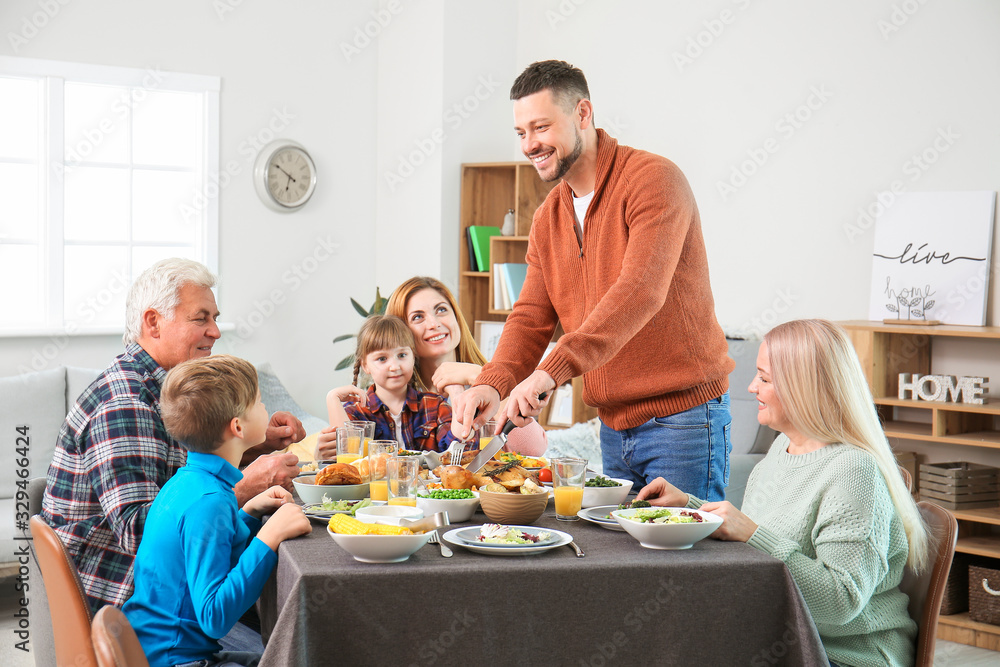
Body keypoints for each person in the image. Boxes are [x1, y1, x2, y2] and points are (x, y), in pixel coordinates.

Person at [452, 60, 734, 499]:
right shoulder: (548, 217)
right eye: (521, 133)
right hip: (613, 425)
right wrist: (494, 381)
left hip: (683, 421)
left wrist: (551, 371)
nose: (530, 144)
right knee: (621, 565)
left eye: (541, 127)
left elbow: (640, 291)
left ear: (582, 113)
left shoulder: (653, 180)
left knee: (683, 565)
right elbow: (530, 317)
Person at [635, 320, 930, 667]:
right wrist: (689, 504)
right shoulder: (781, 451)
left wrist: (753, 534)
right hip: (780, 639)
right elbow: (754, 537)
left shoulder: (853, 471)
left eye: (764, 378)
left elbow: (841, 601)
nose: (751, 386)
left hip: (846, 655)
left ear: (803, 388)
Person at [42, 258, 304, 610]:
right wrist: (243, 488)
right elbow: (138, 531)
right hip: (127, 603)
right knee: (285, 615)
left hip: (163, 581)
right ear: (154, 323)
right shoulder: (125, 404)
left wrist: (255, 445)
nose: (216, 331)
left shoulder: (169, 391)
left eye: (215, 317)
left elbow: (184, 474)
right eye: (201, 318)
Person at [123, 355, 311, 667]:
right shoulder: (209, 502)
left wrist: (249, 513)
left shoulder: (187, 483)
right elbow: (213, 617)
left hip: (157, 649)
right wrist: (269, 537)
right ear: (238, 426)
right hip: (177, 660)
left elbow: (206, 546)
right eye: (260, 402)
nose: (266, 410)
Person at [386, 275, 546, 456]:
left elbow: (534, 449)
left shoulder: (494, 377)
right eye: (417, 317)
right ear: (400, 332)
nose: (434, 323)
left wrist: (485, 379)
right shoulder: (399, 398)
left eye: (441, 310)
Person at [317, 314, 458, 455]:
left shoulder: (435, 405)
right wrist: (332, 398)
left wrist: (457, 392)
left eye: (402, 355)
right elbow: (347, 457)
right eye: (382, 359)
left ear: (413, 356)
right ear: (365, 365)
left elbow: (459, 452)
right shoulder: (355, 412)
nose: (395, 366)